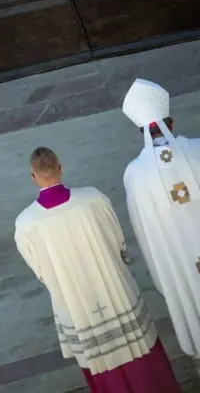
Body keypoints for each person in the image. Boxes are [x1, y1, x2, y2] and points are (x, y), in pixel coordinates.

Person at [14, 146, 180, 392]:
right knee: (139, 348)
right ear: (60, 168)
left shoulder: (26, 223)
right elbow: (118, 241)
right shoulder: (93, 199)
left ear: (33, 176)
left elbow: (40, 271)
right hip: (114, 290)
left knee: (100, 361)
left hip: (75, 302)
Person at [122, 78, 200, 378]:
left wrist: (160, 270)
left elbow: (142, 230)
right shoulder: (196, 151)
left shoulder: (136, 175)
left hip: (177, 261)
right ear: (172, 120)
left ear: (140, 131)